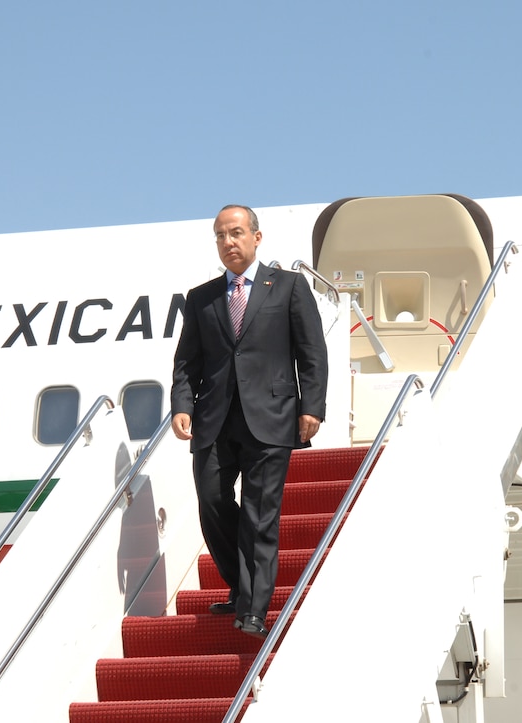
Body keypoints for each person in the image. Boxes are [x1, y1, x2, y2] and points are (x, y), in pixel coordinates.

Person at [171, 204, 328, 639]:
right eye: (220, 235)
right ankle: (241, 586)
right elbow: (187, 362)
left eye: (236, 233)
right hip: (215, 419)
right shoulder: (200, 298)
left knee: (260, 515)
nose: (228, 242)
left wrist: (311, 406)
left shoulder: (290, 288)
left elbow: (312, 352)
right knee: (212, 501)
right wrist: (182, 404)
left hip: (272, 418)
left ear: (257, 237)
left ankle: (254, 609)